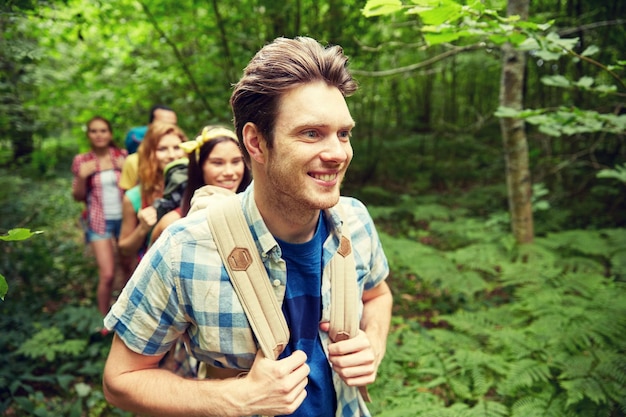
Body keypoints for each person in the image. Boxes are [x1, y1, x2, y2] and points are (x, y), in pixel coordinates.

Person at [103, 36, 392, 417]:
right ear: (256, 142)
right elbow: (120, 379)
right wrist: (235, 399)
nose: (338, 153)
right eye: (311, 133)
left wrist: (371, 344)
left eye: (343, 133)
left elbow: (378, 296)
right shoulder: (184, 248)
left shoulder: (354, 221)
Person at [149, 124, 252, 245]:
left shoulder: (260, 213)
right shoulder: (172, 224)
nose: (229, 172)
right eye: (218, 163)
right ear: (199, 167)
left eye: (236, 162)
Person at [71, 116, 131, 317]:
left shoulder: (122, 156)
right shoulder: (82, 160)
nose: (99, 135)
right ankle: (103, 320)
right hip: (99, 221)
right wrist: (81, 176)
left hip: (125, 219)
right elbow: (78, 197)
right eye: (94, 131)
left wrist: (127, 171)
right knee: (107, 274)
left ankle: (129, 314)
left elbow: (135, 189)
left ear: (110, 134)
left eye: (103, 130)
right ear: (88, 135)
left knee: (130, 269)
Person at [117, 122, 187, 262]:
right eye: (162, 149)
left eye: (177, 148)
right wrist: (142, 228)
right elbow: (124, 248)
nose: (172, 155)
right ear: (149, 154)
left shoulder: (198, 186)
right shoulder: (134, 196)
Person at [119, 105, 178, 191]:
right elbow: (129, 199)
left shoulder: (184, 156)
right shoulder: (133, 161)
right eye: (162, 124)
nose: (168, 128)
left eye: (173, 125)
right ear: (150, 126)